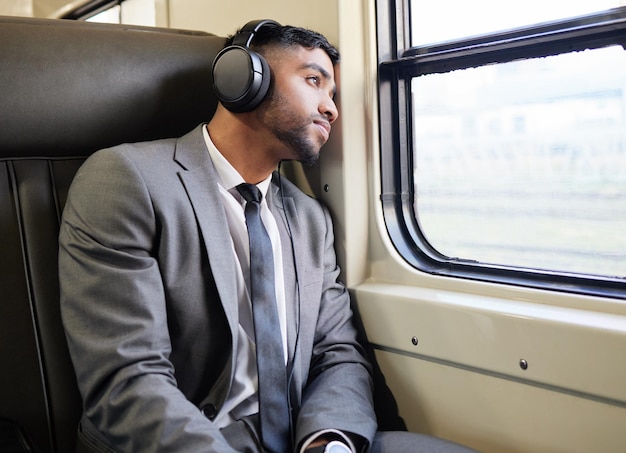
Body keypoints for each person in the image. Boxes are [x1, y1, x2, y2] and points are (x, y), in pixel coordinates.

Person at [59, 20, 475, 453]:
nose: (331, 108)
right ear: (243, 79)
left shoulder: (311, 218)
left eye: (332, 95)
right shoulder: (128, 180)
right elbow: (129, 379)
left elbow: (337, 352)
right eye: (314, 80)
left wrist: (327, 441)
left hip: (298, 436)